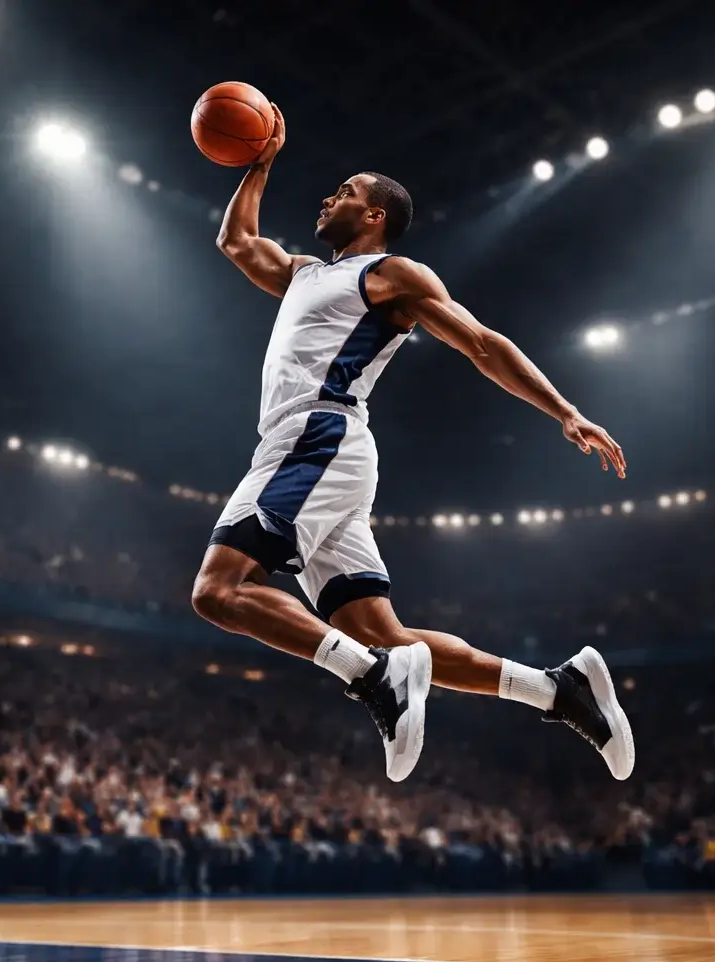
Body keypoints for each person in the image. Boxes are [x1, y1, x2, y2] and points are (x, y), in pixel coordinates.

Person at [190, 105, 635, 785]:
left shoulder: (393, 274)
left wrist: (565, 412)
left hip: (318, 435)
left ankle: (371, 679)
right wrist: (261, 160)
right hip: (318, 451)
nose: (329, 195)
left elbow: (482, 343)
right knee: (383, 634)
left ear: (374, 216)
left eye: (346, 190)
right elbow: (237, 242)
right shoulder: (306, 273)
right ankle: (558, 689)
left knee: (219, 592)